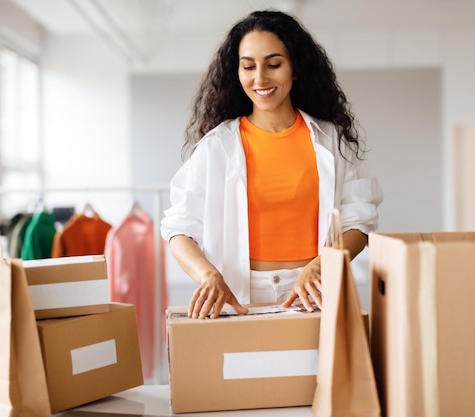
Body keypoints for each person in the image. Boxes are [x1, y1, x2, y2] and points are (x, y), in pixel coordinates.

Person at [161, 10, 383, 319]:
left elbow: (359, 221)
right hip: (239, 295)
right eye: (248, 66)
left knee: (319, 369)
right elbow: (178, 229)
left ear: (296, 69)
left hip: (314, 292)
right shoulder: (217, 146)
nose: (260, 78)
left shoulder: (330, 140)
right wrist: (208, 276)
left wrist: (323, 264)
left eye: (274, 64)